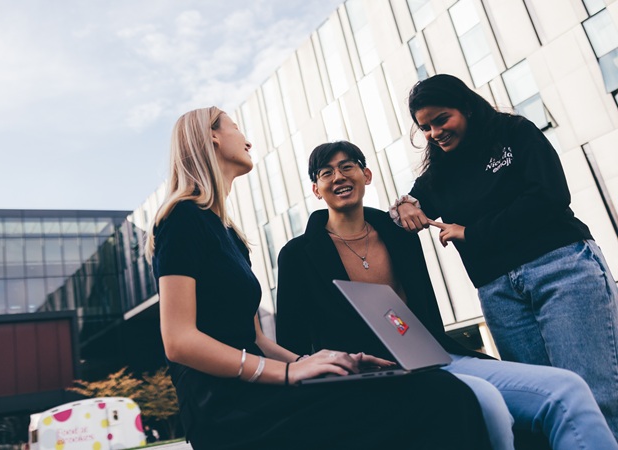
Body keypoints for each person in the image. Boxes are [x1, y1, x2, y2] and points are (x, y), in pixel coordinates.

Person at [146, 107, 492, 450]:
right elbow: (178, 341)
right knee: (440, 399)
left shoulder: (230, 235)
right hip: (226, 407)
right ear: (213, 136)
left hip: (258, 390)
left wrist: (322, 361)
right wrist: (286, 374)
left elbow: (255, 339)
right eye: (236, 127)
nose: (247, 140)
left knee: (438, 392)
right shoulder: (182, 218)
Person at [276, 140, 618, 450]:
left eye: (347, 166)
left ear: (366, 175)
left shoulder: (400, 235)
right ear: (316, 190)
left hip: (434, 360)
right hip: (362, 378)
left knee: (568, 390)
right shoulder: (298, 254)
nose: (338, 176)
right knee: (485, 402)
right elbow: (291, 344)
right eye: (326, 172)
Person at [391, 73, 618, 437]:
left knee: (594, 397)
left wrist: (472, 233)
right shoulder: (439, 173)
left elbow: (550, 196)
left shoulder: (514, 133)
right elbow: (409, 206)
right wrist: (402, 206)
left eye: (441, 119)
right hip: (499, 294)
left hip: (561, 269)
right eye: (426, 127)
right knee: (538, 408)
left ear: (465, 106)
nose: (435, 132)